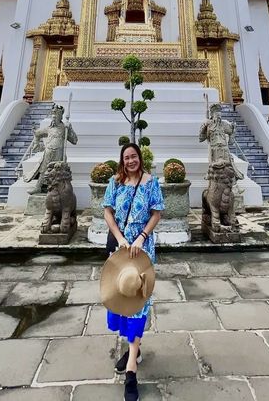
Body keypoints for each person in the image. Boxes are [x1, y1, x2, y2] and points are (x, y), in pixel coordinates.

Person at [103, 142, 164, 401]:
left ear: (140, 158)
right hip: (119, 251)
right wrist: (119, 238)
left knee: (138, 302)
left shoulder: (150, 182)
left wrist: (141, 236)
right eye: (127, 157)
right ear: (122, 160)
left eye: (134, 156)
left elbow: (157, 212)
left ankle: (131, 370)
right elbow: (108, 211)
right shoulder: (115, 181)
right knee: (121, 300)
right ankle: (133, 349)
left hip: (142, 251)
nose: (131, 161)